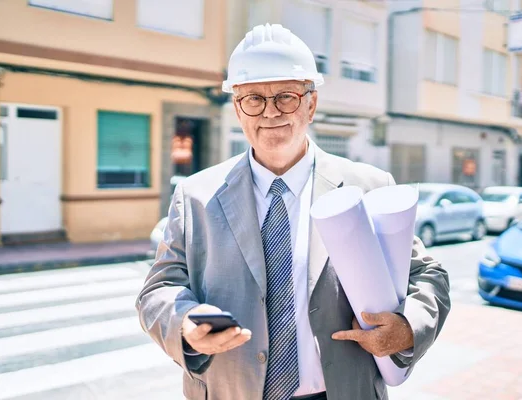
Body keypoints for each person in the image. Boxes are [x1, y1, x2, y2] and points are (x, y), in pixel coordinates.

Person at [136, 23, 450, 400]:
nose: (270, 112)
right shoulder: (195, 194)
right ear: (238, 108)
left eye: (286, 96)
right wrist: (184, 323)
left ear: (311, 104)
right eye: (253, 98)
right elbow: (159, 290)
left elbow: (427, 275)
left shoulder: (368, 186)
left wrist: (406, 327)